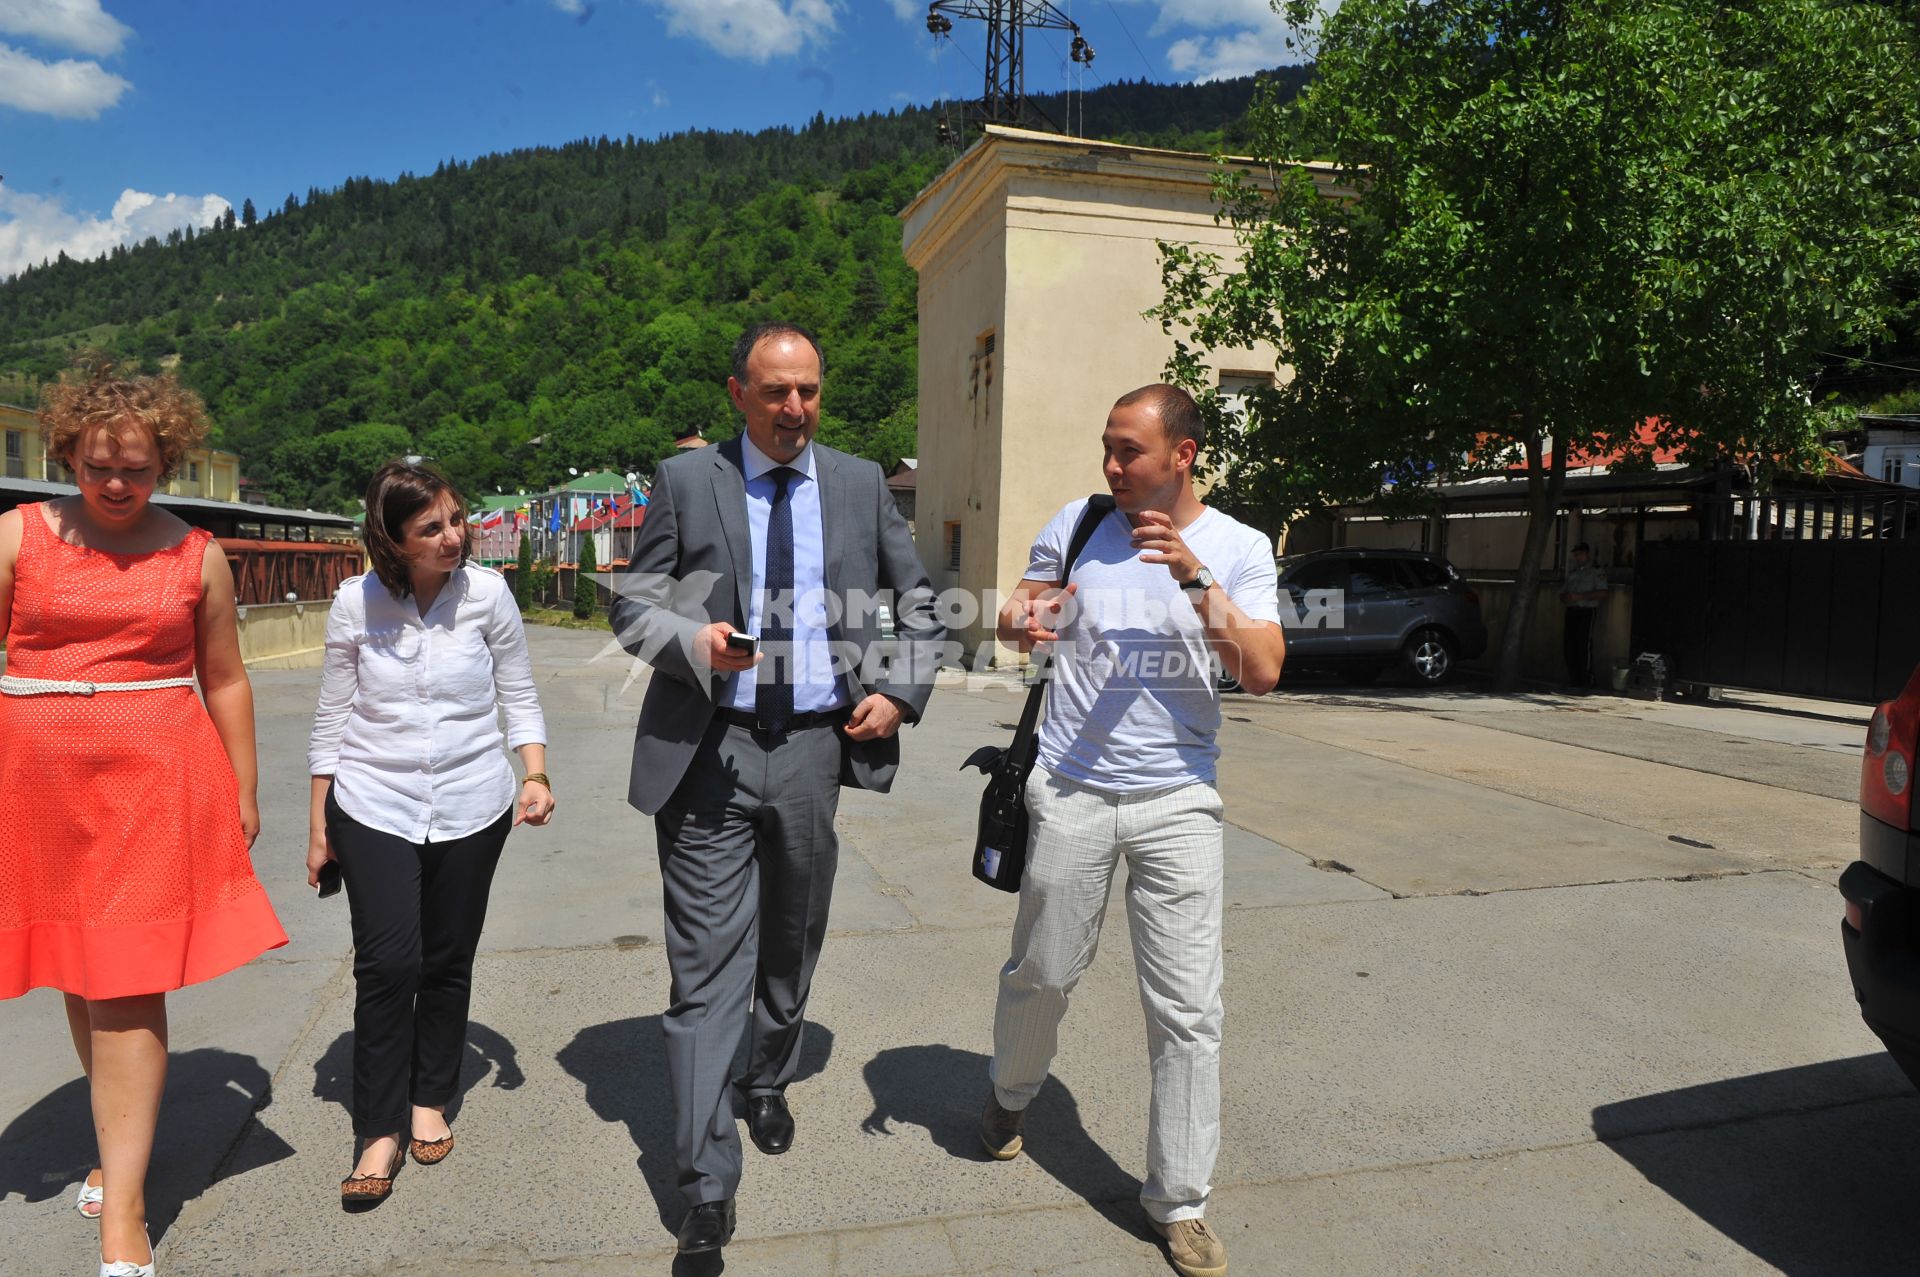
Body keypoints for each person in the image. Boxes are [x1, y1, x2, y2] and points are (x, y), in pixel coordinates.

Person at [609, 322, 945, 1255]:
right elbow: (632, 605)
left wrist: (898, 692)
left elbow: (919, 600)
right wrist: (692, 644)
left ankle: (767, 1071)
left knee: (793, 936)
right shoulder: (687, 483)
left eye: (809, 391)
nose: (795, 408)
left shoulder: (860, 481)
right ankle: (705, 1184)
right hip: (709, 752)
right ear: (738, 394)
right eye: (775, 392)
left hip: (813, 750)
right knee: (707, 969)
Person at [984, 384, 1287, 1277]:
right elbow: (1015, 615)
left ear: (1184, 453)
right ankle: (1010, 1093)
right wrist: (1022, 618)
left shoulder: (1237, 547)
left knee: (1189, 1010)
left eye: (1132, 452)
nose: (1113, 467)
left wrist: (1193, 576)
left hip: (1178, 802)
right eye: (1107, 449)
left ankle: (1180, 1200)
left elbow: (1264, 669)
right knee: (1043, 971)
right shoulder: (1078, 523)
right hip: (1071, 790)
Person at [0, 363, 287, 1277]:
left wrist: (245, 786)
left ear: (166, 459)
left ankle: (122, 1210)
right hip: (36, 786)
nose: (117, 485)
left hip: (155, 781)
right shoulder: (14, 536)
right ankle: (113, 1144)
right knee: (82, 976)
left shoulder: (195, 552)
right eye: (97, 467)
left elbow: (227, 676)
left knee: (123, 980)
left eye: (137, 467)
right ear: (67, 456)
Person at [305, 459, 555, 1207]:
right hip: (373, 801)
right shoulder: (355, 605)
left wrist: (535, 774)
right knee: (388, 962)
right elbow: (331, 719)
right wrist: (318, 825)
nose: (453, 536)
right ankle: (378, 1129)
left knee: (446, 958)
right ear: (392, 540)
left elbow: (519, 690)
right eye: (431, 528)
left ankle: (429, 1098)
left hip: (473, 804)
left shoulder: (488, 594)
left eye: (455, 518)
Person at [1559, 541, 1609, 691]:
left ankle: (1587, 679)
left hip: (1586, 611)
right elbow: (1563, 592)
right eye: (1576, 554)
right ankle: (1575, 679)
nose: (1578, 557)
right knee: (1569, 645)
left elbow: (1603, 592)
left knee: (1583, 645)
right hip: (1572, 610)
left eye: (1580, 554)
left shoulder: (1596, 571)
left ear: (1587, 554)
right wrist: (1566, 598)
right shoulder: (1573, 573)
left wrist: (1580, 597)